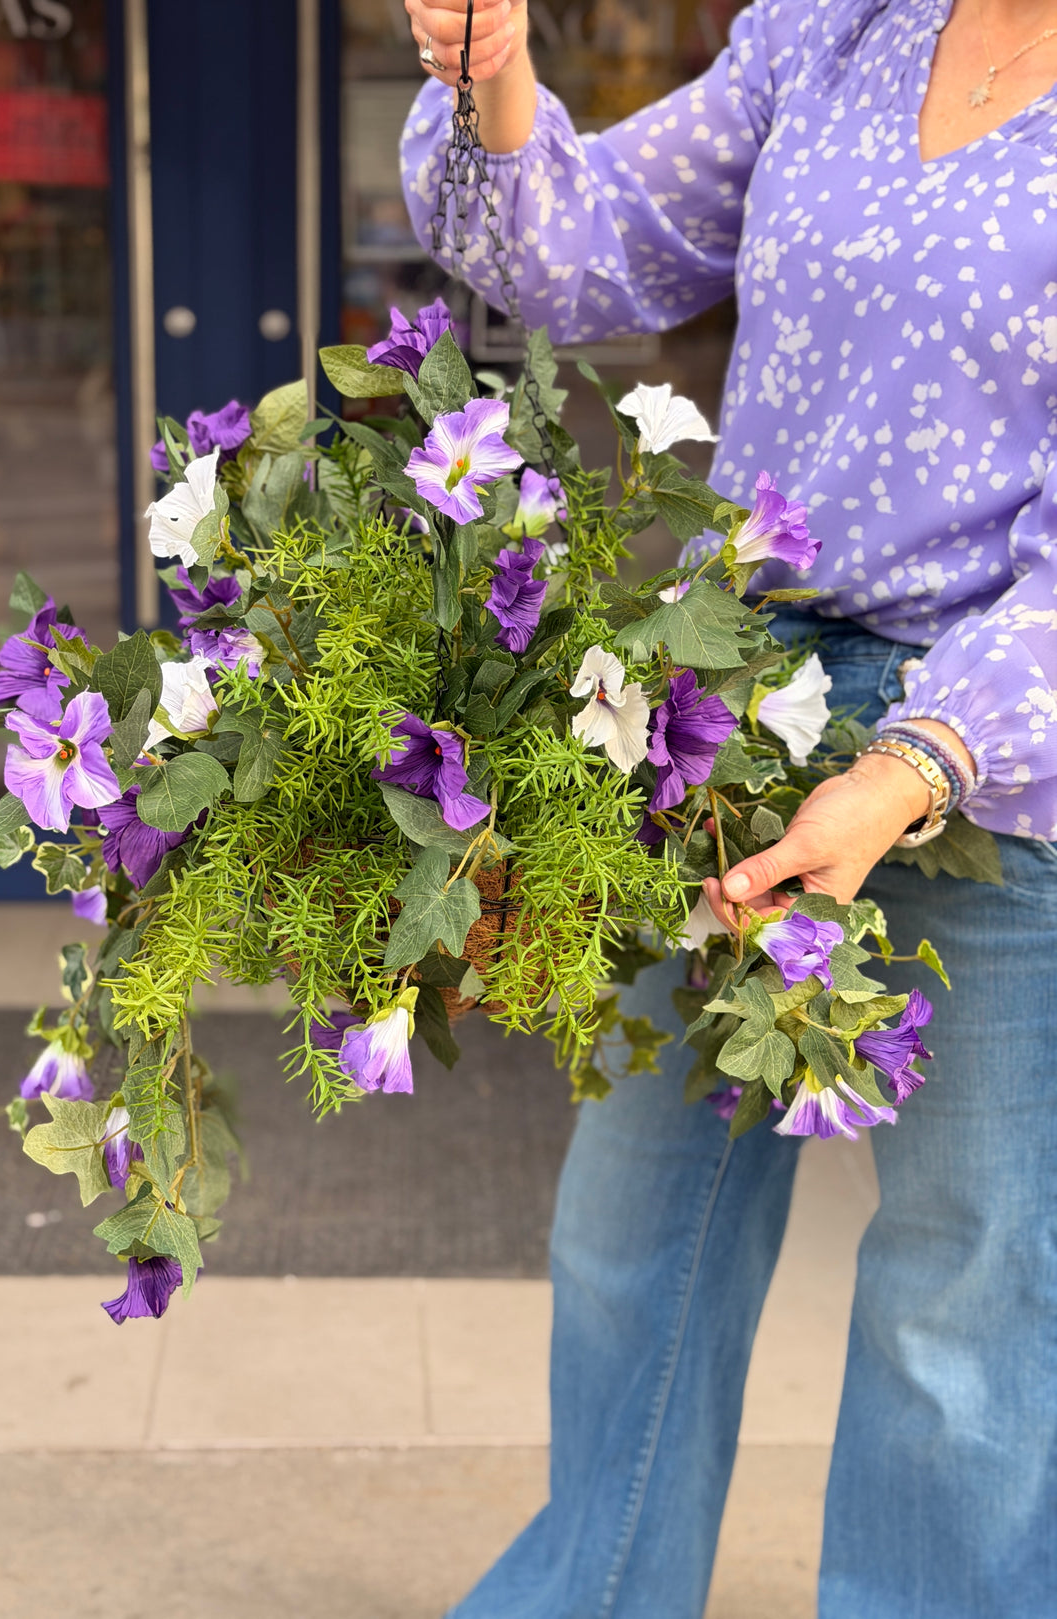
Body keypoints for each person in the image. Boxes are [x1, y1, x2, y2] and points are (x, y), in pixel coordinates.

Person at [395, 2, 1057, 1616]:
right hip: (735, 714)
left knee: (959, 1297)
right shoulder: (834, 30)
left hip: (996, 758)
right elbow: (588, 253)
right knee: (633, 1227)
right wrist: (492, 71)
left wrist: (910, 768)